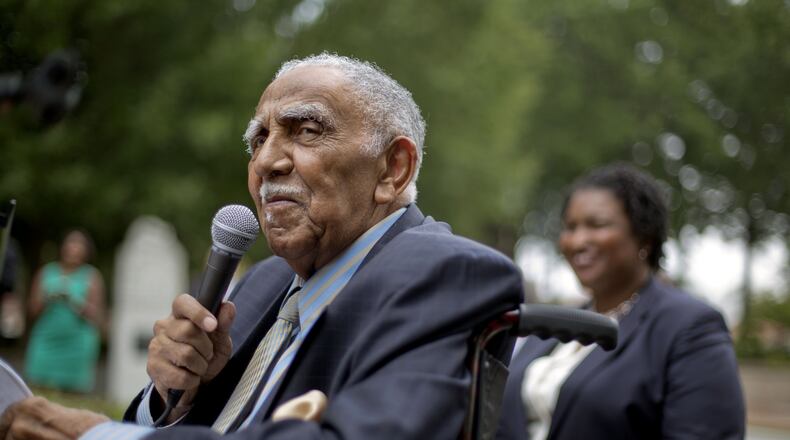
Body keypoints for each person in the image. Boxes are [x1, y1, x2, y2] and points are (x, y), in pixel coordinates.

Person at [0, 53, 523, 439]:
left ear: (393, 169)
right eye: (258, 139)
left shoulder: (449, 274)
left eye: (306, 130)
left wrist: (95, 437)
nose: (266, 162)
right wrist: (175, 397)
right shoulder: (266, 281)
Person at [497, 163, 745, 439]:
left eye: (597, 225)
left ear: (645, 237)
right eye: (570, 227)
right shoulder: (552, 327)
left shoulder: (689, 328)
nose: (577, 241)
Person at [23, 230, 106, 393]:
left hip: (77, 343)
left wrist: (73, 300)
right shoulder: (46, 272)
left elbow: (96, 315)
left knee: (73, 395)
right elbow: (32, 310)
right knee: (36, 390)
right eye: (70, 243)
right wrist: (49, 296)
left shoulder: (91, 276)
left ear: (86, 251)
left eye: (79, 245)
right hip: (46, 339)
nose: (73, 248)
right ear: (63, 247)